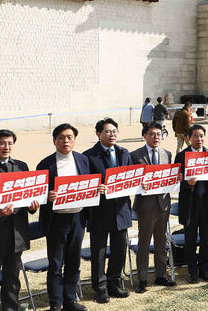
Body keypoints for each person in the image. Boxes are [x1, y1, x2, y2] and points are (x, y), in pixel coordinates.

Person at [0, 130, 40, 311]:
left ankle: (10, 308)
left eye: (10, 143)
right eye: (2, 143)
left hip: (17, 234)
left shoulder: (22, 166)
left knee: (13, 278)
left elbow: (30, 194)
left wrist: (33, 206)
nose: (6, 147)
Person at [36, 123, 90, 311]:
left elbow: (89, 185)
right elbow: (37, 194)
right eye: (61, 137)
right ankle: (55, 304)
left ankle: (70, 300)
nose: (65, 141)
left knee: (74, 261)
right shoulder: (45, 164)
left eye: (69, 137)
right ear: (54, 141)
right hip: (57, 220)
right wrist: (47, 197)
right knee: (56, 263)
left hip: (78, 218)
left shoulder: (83, 160)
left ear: (74, 140)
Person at [83, 118, 132, 302]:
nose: (112, 135)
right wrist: (96, 187)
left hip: (121, 209)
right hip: (99, 211)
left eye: (114, 131)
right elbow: (85, 183)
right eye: (107, 131)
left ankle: (114, 283)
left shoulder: (124, 153)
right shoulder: (88, 156)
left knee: (120, 248)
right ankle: (100, 287)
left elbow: (130, 177)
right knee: (99, 252)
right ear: (98, 134)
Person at [129, 122, 177, 293]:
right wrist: (138, 183)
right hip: (145, 205)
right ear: (144, 136)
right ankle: (142, 279)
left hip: (163, 204)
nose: (156, 137)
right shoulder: (135, 155)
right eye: (152, 134)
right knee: (143, 243)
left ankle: (161, 275)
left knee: (161, 242)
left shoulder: (167, 154)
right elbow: (131, 179)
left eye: (159, 134)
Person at [175, 124, 208, 282]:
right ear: (189, 138)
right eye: (195, 136)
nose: (199, 139)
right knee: (190, 239)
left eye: (201, 135)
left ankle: (205, 269)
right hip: (189, 204)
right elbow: (176, 182)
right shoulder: (181, 156)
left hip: (207, 203)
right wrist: (187, 183)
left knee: (205, 238)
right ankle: (192, 271)